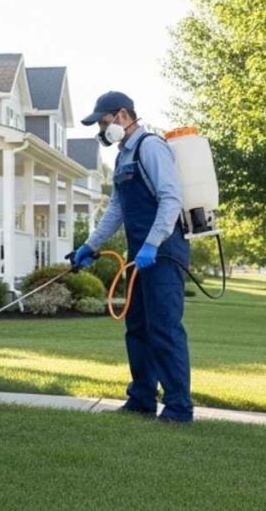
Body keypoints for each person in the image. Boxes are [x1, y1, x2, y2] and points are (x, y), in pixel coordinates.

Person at [73, 91, 193, 422]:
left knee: (165, 328)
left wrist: (153, 244)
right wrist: (90, 245)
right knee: (137, 326)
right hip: (139, 255)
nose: (101, 129)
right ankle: (141, 399)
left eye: (103, 122)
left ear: (123, 116)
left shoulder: (151, 147)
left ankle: (178, 408)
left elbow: (171, 199)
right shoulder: (123, 157)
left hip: (164, 252)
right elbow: (117, 208)